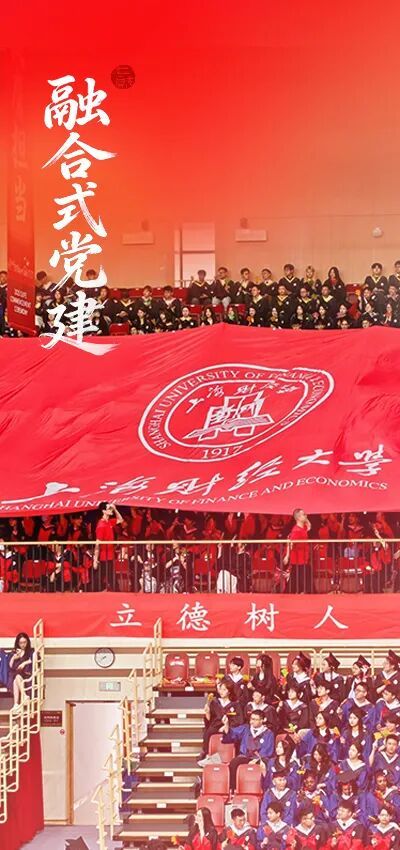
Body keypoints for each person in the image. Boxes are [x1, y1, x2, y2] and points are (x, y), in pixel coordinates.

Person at [221, 709, 275, 791]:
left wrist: (256, 760)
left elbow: (268, 750)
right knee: (234, 762)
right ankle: (234, 789)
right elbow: (232, 734)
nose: (252, 722)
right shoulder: (246, 728)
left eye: (255, 719)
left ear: (262, 720)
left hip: (260, 758)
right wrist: (226, 725)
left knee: (266, 764)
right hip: (245, 757)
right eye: (251, 719)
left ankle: (263, 790)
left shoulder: (269, 733)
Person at [93, 503, 123, 590]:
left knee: (106, 576)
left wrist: (115, 509)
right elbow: (97, 544)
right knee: (108, 577)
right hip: (104, 556)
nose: (111, 510)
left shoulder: (109, 522)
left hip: (110, 554)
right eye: (109, 508)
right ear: (103, 511)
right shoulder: (101, 525)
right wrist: (95, 559)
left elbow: (120, 520)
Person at [283, 509, 312, 594]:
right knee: (298, 579)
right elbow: (290, 543)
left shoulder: (303, 528)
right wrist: (287, 556)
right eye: (304, 514)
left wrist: (305, 519)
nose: (306, 515)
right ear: (298, 517)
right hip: (298, 559)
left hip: (303, 558)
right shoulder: (296, 530)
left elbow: (309, 526)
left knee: (296, 579)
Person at [9, 632, 34, 706]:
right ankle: (24, 696)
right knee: (16, 678)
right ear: (18, 643)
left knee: (16, 680)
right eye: (21, 643)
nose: (23, 644)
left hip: (27, 676)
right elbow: (10, 666)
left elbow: (34, 659)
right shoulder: (15, 652)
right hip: (16, 675)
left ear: (27, 642)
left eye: (24, 642)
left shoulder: (30, 651)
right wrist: (13, 658)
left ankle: (16, 704)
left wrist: (24, 662)